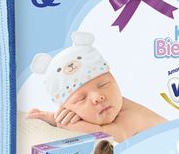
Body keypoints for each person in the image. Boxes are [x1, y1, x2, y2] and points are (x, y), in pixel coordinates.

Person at [26, 31, 166, 141]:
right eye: (81, 99)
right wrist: (53, 117)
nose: (98, 97)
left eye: (103, 84)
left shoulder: (131, 115)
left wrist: (68, 124)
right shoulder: (101, 113)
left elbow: (108, 136)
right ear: (66, 108)